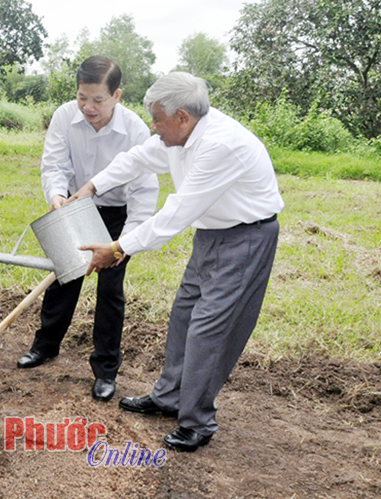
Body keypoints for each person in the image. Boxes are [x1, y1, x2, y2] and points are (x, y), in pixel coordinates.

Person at [70, 71, 284, 452]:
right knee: (185, 313)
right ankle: (169, 398)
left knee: (210, 328)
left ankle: (197, 421)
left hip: (246, 238)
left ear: (182, 116)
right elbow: (137, 158)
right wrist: (92, 186)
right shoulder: (179, 136)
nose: (153, 128)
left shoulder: (221, 146)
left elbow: (175, 214)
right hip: (211, 234)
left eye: (156, 119)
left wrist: (117, 247)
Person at [16, 56, 159, 403]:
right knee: (64, 277)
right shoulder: (66, 116)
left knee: (110, 290)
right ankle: (45, 346)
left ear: (117, 96)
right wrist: (56, 196)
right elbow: (54, 163)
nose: (88, 107)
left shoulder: (136, 130)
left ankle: (106, 369)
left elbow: (143, 192)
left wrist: (125, 242)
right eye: (82, 97)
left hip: (118, 216)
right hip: (75, 205)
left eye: (98, 100)